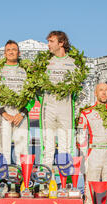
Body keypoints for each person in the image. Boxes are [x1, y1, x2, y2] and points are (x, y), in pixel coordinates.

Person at [0, 40, 33, 165]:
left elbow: (32, 95)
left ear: (19, 53)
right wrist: (4, 114)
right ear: (4, 54)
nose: (11, 52)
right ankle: (5, 180)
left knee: (22, 149)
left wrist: (22, 113)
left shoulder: (26, 71)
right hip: (5, 115)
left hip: (21, 115)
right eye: (8, 50)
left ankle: (22, 179)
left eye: (14, 49)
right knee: (4, 149)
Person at [40, 31, 77, 169]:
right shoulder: (45, 63)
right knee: (48, 146)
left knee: (65, 147)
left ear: (61, 43)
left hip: (65, 108)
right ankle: (45, 185)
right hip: (48, 107)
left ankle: (65, 186)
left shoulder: (73, 63)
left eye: (51, 41)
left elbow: (77, 88)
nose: (48, 44)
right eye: (48, 41)